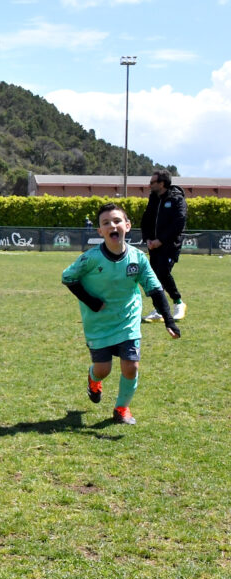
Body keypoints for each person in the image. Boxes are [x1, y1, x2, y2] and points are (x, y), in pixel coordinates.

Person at [62, 202, 180, 425]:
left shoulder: (137, 258)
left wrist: (169, 321)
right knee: (103, 370)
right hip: (98, 323)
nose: (112, 225)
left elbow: (155, 289)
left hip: (128, 320)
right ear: (100, 231)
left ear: (127, 225)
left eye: (116, 221)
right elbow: (68, 278)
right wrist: (91, 302)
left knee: (131, 366)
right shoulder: (90, 258)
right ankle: (93, 379)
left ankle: (121, 409)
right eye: (105, 223)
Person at [141, 169, 188, 323]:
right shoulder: (153, 199)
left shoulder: (176, 199)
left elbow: (179, 223)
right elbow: (146, 220)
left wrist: (160, 240)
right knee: (154, 278)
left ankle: (178, 303)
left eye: (152, 182)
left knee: (162, 272)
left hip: (169, 245)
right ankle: (159, 310)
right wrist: (148, 239)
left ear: (162, 183)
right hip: (153, 246)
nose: (149, 185)